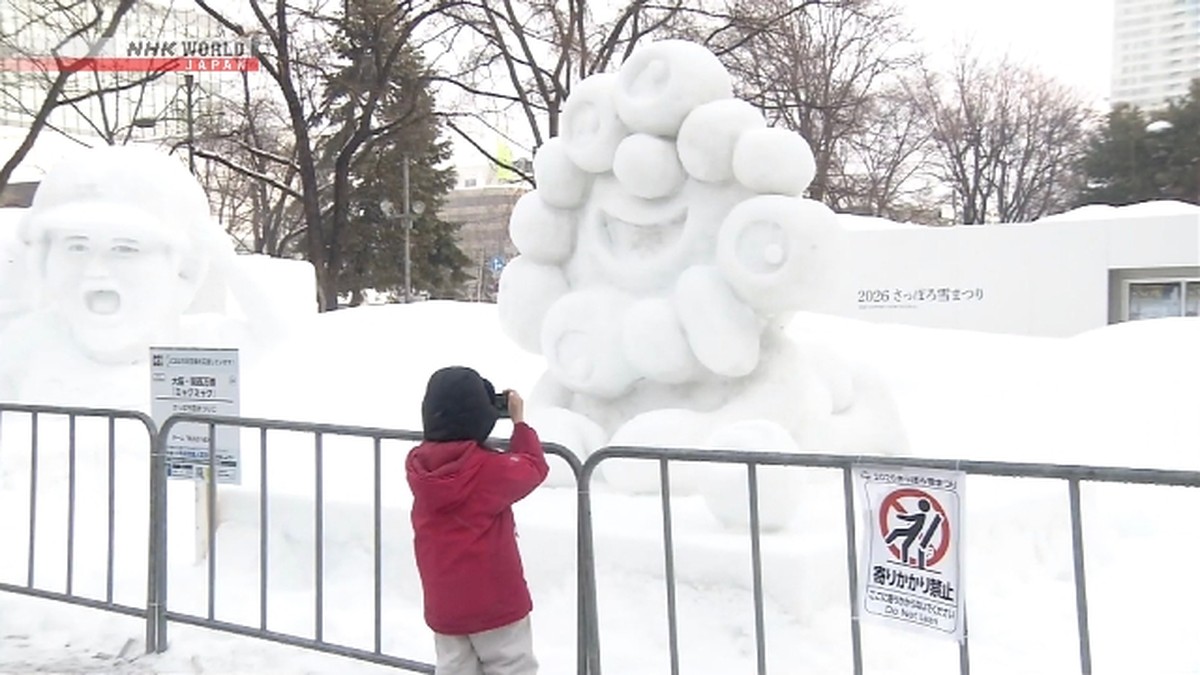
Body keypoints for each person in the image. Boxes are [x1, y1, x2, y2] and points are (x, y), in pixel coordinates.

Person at [407, 366, 549, 675]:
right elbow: (533, 467)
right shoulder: (486, 470)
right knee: (511, 666)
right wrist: (520, 424)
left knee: (454, 668)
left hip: (444, 603)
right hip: (494, 604)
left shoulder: (419, 468)